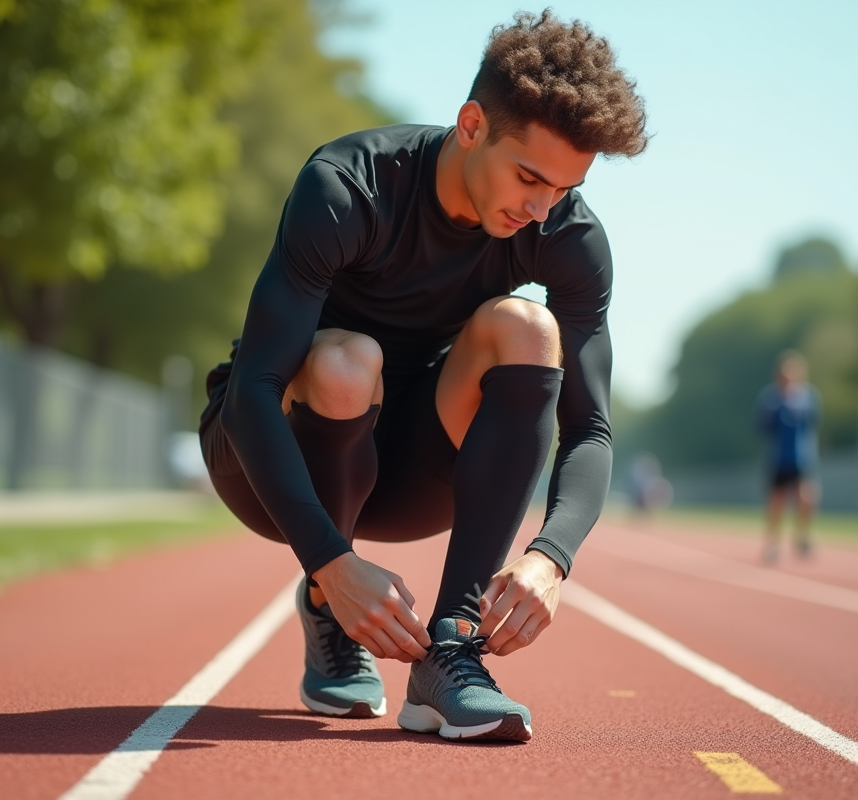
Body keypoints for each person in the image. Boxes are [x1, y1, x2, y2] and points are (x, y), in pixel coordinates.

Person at [198, 10, 647, 742]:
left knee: (528, 328)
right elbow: (253, 387)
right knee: (347, 359)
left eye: (564, 190)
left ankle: (451, 649)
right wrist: (332, 566)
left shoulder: (567, 239)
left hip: (414, 471)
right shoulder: (347, 187)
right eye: (529, 176)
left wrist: (551, 557)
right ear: (472, 125)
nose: (541, 210)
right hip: (267, 456)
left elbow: (590, 427)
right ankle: (326, 607)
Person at [755, 350, 821, 563]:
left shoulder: (808, 397)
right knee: (777, 502)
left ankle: (802, 535)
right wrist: (779, 407)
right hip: (778, 458)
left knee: (807, 497)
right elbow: (762, 427)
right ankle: (772, 543)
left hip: (802, 458)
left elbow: (815, 423)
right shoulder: (770, 399)